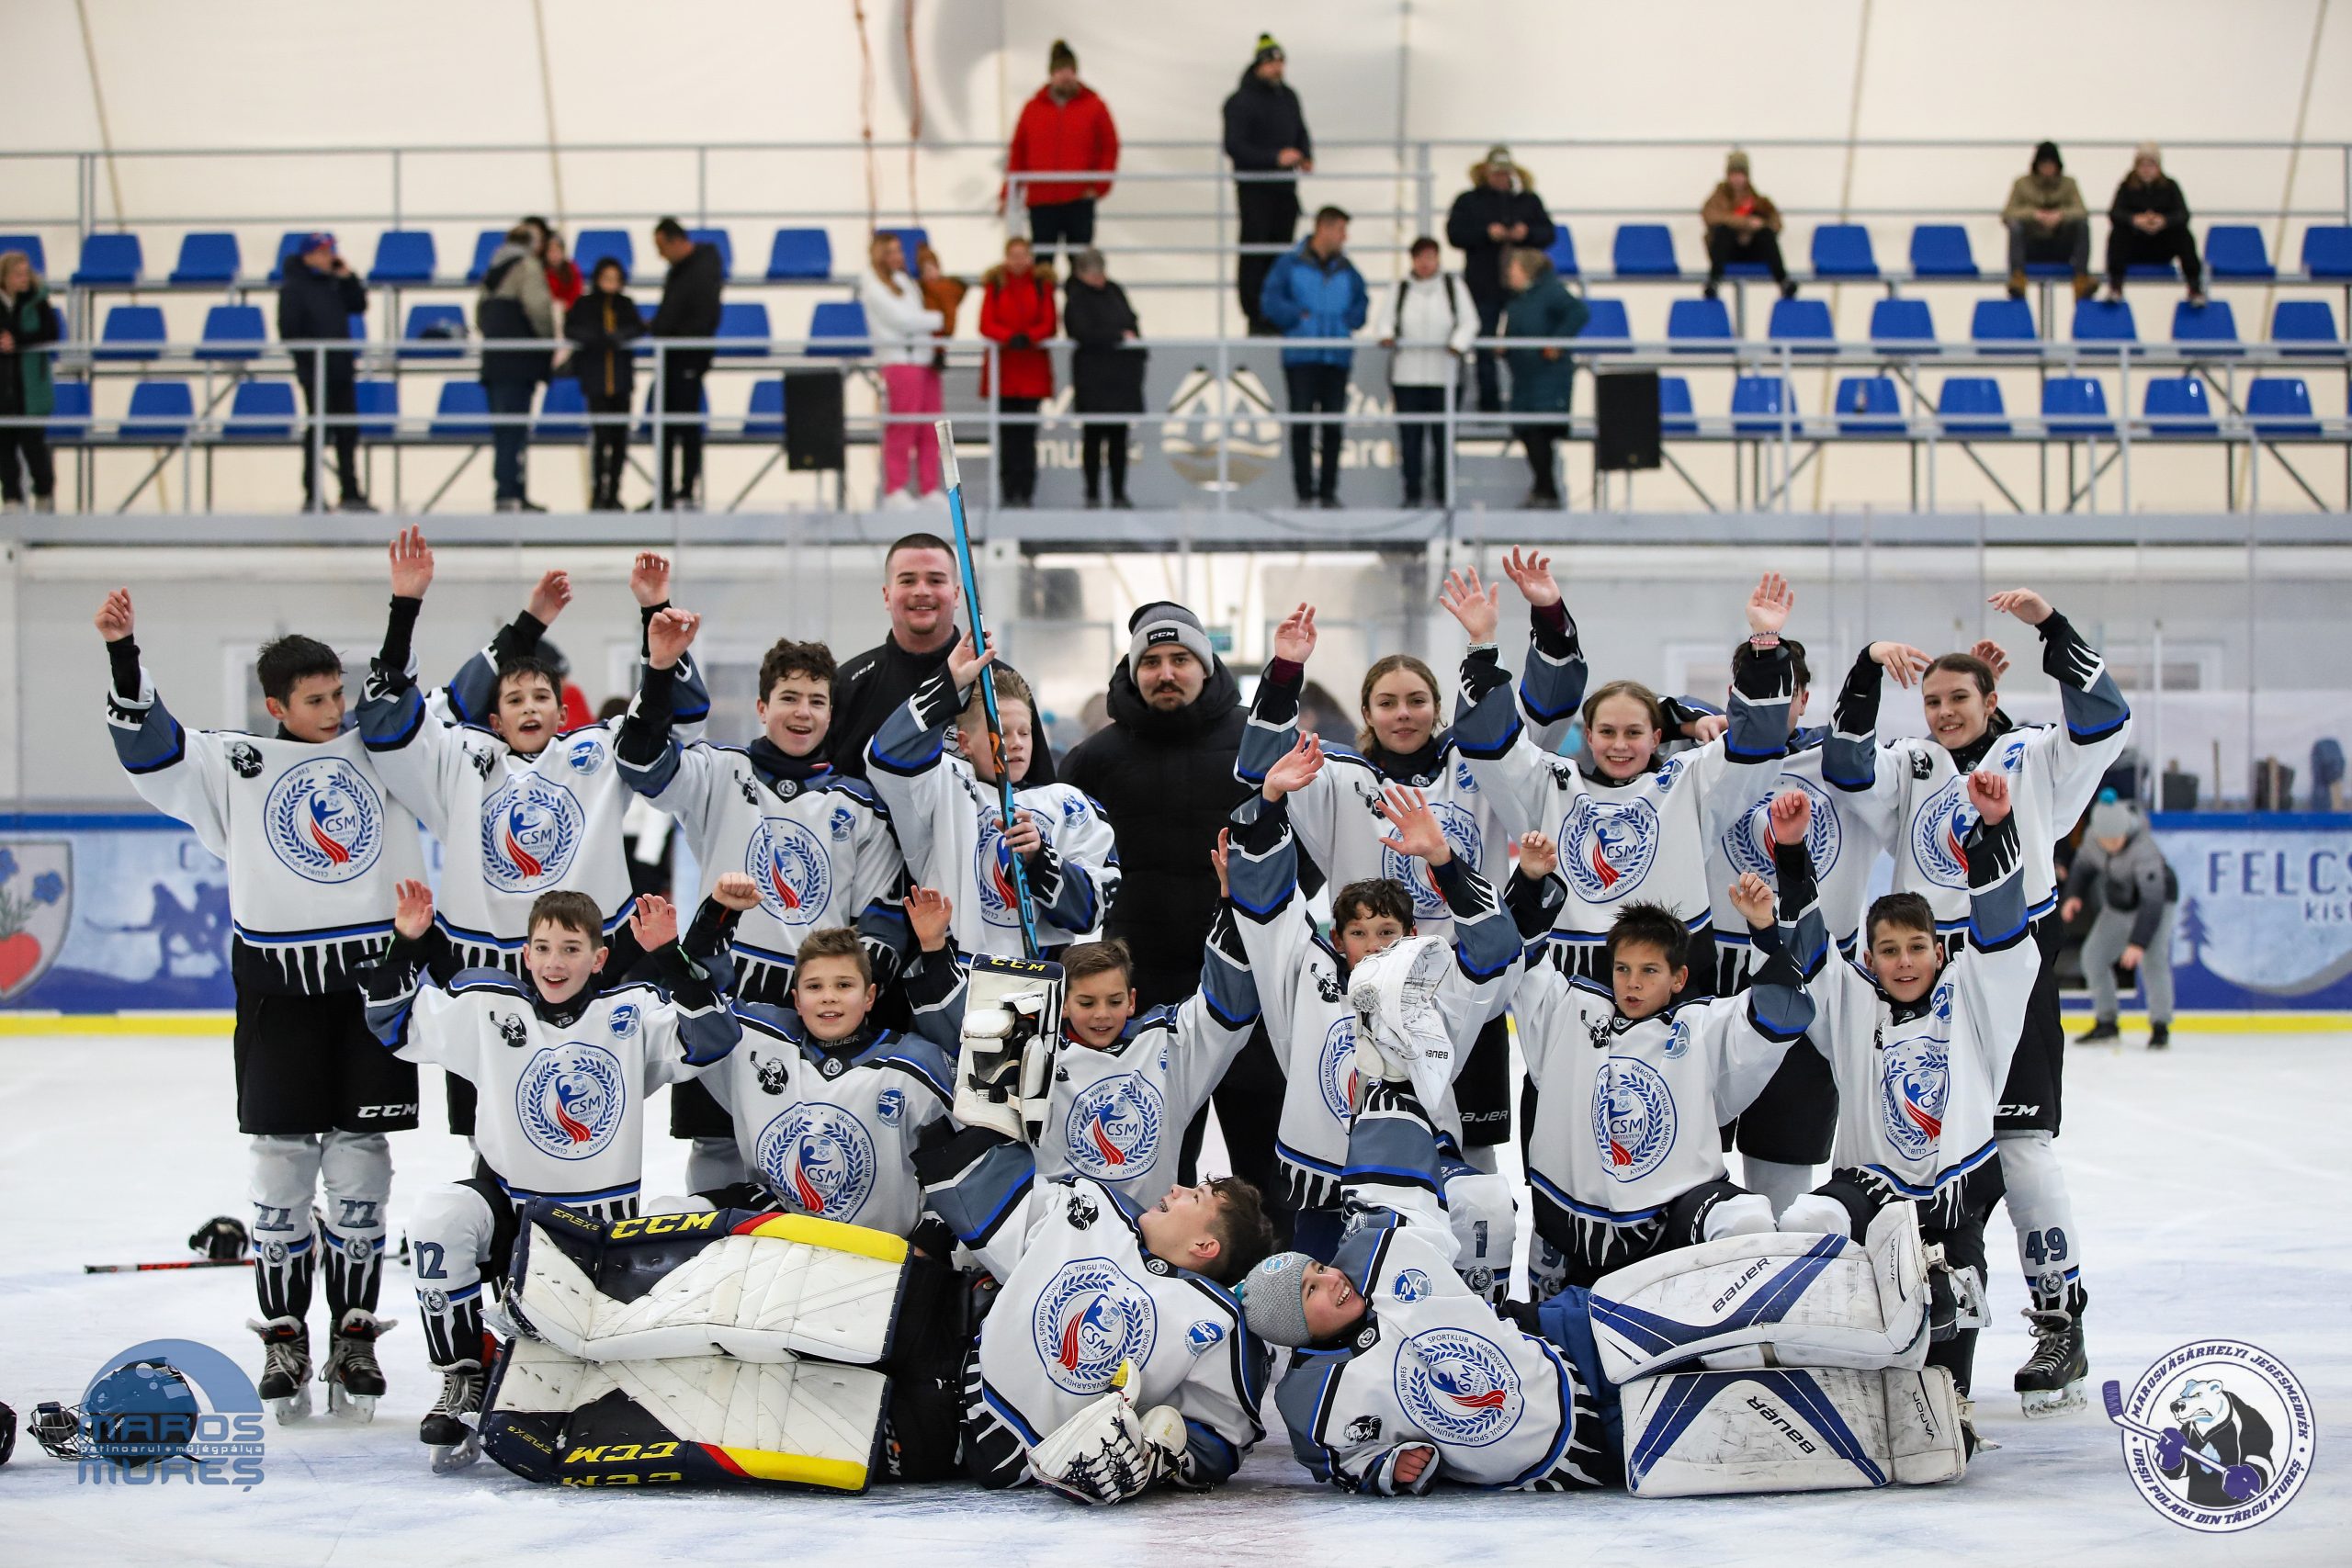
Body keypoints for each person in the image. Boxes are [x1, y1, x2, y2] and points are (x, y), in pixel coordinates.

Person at [1239, 1062, 1968, 1497]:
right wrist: (1396, 1467)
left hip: (1575, 1333)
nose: (1331, 1277)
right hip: (1584, 1446)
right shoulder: (1315, 1404)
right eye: (1311, 1291)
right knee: (1759, 1416)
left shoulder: (1380, 1257)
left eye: (1320, 1268)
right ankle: (1909, 1423)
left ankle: (1888, 1293)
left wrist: (1386, 1066)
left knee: (1734, 1306)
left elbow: (1392, 1172)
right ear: (1300, 1333)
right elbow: (1355, 1463)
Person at [96, 587, 425, 1421]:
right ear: (274, 705)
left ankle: (353, 1331)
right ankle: (284, 1334)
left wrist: (404, 608)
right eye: (313, 699)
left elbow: (411, 698)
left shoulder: (381, 751)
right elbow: (153, 746)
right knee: (281, 1176)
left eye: (336, 694)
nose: (332, 709)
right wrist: (124, 653)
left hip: (370, 985)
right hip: (277, 992)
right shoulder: (237, 763)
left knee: (359, 1173)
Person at [361, 876, 748, 1466]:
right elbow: (390, 1023)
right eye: (542, 947)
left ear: (599, 958)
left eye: (571, 949)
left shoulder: (631, 1012)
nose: (554, 962)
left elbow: (714, 1038)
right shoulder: (491, 1010)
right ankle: (462, 1375)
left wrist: (668, 954)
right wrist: (408, 944)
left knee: (688, 1220)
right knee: (438, 1216)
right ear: (525, 954)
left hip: (600, 1240)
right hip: (514, 1223)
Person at [356, 532, 706, 1138]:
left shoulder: (595, 751)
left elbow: (673, 726)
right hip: (485, 970)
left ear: (564, 710)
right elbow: (387, 718)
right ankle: (496, 1222)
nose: (528, 705)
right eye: (513, 698)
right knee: (488, 1130)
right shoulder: (458, 758)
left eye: (541, 695)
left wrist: (656, 625)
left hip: (585, 967)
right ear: (492, 719)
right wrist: (405, 605)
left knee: (587, 1115)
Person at [1888, 588, 2131, 1416]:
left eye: (1961, 699)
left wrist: (2050, 628)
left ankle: (2061, 1320)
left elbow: (2103, 714)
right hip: (1928, 983)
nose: (1946, 712)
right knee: (1924, 1154)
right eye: (1934, 701)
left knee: (2021, 1148)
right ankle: (1924, 1322)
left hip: (2012, 971)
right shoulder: (1910, 767)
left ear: (1993, 701)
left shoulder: (2032, 756)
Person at [1237, 574, 1578, 1158]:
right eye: (1387, 703)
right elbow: (1260, 775)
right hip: (1366, 990)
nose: (1403, 714)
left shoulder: (1477, 764)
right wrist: (1285, 671)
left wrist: (1501, 635)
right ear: (1367, 711)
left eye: (1417, 700)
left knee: (1472, 1152)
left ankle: (1474, 1249)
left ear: (1437, 706)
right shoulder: (1337, 776)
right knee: (1363, 1141)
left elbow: (1544, 714)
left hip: (1468, 984)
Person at [616, 626, 910, 1187]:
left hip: (814, 1001)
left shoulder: (858, 804)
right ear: (761, 706)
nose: (802, 713)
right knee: (718, 1138)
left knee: (807, 1137)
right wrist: (659, 671)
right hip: (722, 992)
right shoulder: (719, 772)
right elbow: (639, 760)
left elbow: (883, 918)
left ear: (831, 714)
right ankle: (715, 1258)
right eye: (789, 698)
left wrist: (846, 997)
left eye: (817, 701)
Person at [1773, 774, 2033, 1407]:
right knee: (1808, 1217)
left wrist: (1997, 828)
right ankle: (1824, 1355)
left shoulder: (1971, 996)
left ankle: (1941, 1386)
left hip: (1954, 1199)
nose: (1905, 960)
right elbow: (1808, 945)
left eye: (1917, 946)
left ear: (1939, 950)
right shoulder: (1852, 1000)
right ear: (1869, 955)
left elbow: (2000, 930)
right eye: (1889, 950)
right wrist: (1789, 851)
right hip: (1870, 1190)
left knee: (1947, 1383)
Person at [1227, 735, 1534, 1266]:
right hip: (1326, 1170)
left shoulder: (1436, 980)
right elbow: (1265, 905)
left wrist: (1442, 859)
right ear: (1337, 937)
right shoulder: (1305, 973)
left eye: (1386, 931)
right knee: (1318, 1297)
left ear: (1412, 933)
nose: (1372, 945)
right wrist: (1271, 802)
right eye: (1359, 933)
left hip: (1420, 1162)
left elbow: (1496, 951)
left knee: (1488, 1204)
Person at [1443, 558, 1785, 995]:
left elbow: (1756, 744)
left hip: (1675, 971)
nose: (1619, 745)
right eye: (1606, 732)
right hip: (1574, 978)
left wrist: (1765, 643)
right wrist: (1481, 643)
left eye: (1634, 733)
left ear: (1658, 736)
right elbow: (1489, 744)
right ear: (1588, 734)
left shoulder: (1689, 780)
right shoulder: (1551, 782)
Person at [1700, 627, 1928, 1218]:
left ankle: (1785, 1293)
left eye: (1793, 690)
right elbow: (1633, 728)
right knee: (1693, 1162)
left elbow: (1867, 754)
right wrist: (1684, 718)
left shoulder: (1843, 761)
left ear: (1804, 699)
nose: (1781, 700)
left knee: (1784, 1176)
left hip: (1811, 979)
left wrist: (1872, 661)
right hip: (1713, 982)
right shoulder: (1706, 758)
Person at [918, 1123, 1277, 1497]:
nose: (1176, 1188)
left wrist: (1160, 1456)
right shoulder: (1093, 1208)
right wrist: (984, 1125)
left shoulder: (1216, 1320)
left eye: (1196, 1196)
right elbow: (976, 1193)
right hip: (946, 1358)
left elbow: (1221, 1434)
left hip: (948, 1430)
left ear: (1205, 1245)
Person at [907, 859, 1259, 1208]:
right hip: (1061, 1239)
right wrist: (935, 948)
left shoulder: (1168, 1043)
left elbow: (1225, 1001)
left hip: (1153, 1241)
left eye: (1114, 1000)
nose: (1102, 1014)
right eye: (1087, 1003)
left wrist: (1231, 904)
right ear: (1062, 1004)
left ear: (1132, 1000)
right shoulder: (1033, 1049)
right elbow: (962, 1027)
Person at [864, 632, 1116, 958]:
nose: (1016, 743)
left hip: (1039, 988)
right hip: (959, 981)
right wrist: (949, 685)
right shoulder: (941, 788)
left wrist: (1040, 861)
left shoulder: (1068, 804)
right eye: (1001, 732)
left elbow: (1093, 911)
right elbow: (886, 757)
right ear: (965, 742)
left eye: (1024, 732)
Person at [695, 922, 954, 1235]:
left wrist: (932, 1239)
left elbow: (961, 1162)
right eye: (814, 987)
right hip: (782, 1233)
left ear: (870, 996)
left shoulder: (915, 1066)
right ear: (797, 1000)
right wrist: (717, 915)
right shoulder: (758, 1038)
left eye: (844, 985)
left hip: (884, 1251)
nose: (828, 997)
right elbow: (701, 1005)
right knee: (670, 1213)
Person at [824, 532, 962, 779]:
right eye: (908, 580)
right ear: (887, 596)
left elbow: (1038, 795)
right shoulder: (846, 687)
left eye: (935, 580)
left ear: (957, 594)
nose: (921, 591)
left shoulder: (996, 685)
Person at [1260, 206, 1366, 508]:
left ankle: (1329, 492)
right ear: (1324, 228)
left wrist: (1347, 323)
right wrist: (1298, 318)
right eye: (1341, 230)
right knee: (1302, 425)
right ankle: (1305, 493)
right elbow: (1270, 300)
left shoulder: (1347, 269)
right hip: (1301, 357)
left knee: (1333, 426)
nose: (1344, 237)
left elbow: (1362, 302)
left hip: (1336, 357)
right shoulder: (1290, 264)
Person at [1445, 145, 1555, 413]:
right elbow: (1455, 234)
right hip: (1484, 286)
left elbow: (1548, 234)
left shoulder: (1528, 202)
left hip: (1523, 289)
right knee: (1484, 346)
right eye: (1496, 173)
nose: (1501, 178)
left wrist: (1525, 233)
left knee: (1523, 346)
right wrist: (1486, 233)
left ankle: (1526, 402)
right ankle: (1489, 404)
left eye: (1505, 173)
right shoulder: (1469, 201)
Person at [2062, 798, 2177, 1047]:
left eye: (2117, 839)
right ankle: (2107, 1022)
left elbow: (2153, 901)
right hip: (2119, 904)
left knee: (2153, 959)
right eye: (2106, 841)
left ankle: (2160, 1026)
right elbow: (2082, 867)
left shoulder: (2144, 849)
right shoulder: (2093, 838)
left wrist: (2137, 943)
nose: (2112, 845)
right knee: (2093, 957)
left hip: (2156, 904)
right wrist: (2073, 895)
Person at [1222, 33, 1313, 335]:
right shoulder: (1240, 102)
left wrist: (1306, 155)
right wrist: (1274, 157)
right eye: (1272, 63)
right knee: (1256, 252)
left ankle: (1277, 309)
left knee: (1282, 251)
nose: (1278, 69)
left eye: (1281, 63)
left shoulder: (1288, 97)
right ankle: (1255, 312)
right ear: (1259, 65)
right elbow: (1235, 146)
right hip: (1255, 190)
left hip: (1285, 189)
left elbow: (1300, 131)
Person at [277, 231, 372, 513]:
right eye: (323, 251)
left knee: (347, 431)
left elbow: (359, 304)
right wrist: (309, 362)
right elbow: (290, 330)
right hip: (316, 371)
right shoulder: (294, 288)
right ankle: (313, 493)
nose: (329, 256)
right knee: (319, 430)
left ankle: (351, 493)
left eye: (331, 250)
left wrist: (348, 277)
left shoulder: (334, 283)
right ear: (308, 256)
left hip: (341, 368)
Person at [1003, 39, 1120, 260]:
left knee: (1080, 261)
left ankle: (1078, 296)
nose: (1065, 76)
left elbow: (1110, 147)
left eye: (1069, 70)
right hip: (1041, 200)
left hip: (1079, 198)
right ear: (1051, 74)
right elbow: (1018, 151)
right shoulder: (1032, 109)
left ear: (1076, 73)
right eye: (1060, 71)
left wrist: (1099, 186)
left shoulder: (1095, 107)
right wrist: (1009, 193)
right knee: (1042, 264)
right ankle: (1042, 297)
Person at [1381, 237, 1476, 508]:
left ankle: (1444, 493)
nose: (1426, 263)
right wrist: (1388, 335)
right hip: (1407, 376)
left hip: (1443, 376)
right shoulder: (1399, 289)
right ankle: (1413, 493)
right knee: (1410, 439)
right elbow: (1385, 321)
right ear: (1413, 259)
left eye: (1431, 257)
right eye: (1421, 257)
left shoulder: (1452, 287)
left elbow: (1469, 322)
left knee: (1442, 439)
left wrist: (1456, 345)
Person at [855, 233, 945, 508]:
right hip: (899, 361)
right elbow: (903, 321)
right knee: (902, 426)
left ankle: (929, 487)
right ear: (879, 255)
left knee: (930, 428)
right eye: (891, 251)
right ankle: (895, 487)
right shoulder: (873, 287)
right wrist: (940, 318)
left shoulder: (905, 281)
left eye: (899, 250)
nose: (898, 256)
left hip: (923, 359)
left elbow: (916, 316)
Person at [475, 220, 555, 513]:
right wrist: (547, 344)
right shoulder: (527, 267)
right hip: (519, 362)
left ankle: (506, 490)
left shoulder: (492, 271)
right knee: (515, 430)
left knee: (503, 430)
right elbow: (539, 309)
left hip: (494, 361)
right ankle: (511, 493)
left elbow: (479, 316)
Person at [1500, 246, 1589, 509]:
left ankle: (1547, 490)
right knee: (1527, 432)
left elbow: (1579, 313)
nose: (1509, 273)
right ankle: (1542, 488)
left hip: (1547, 379)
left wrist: (1556, 343)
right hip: (1525, 379)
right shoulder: (1519, 298)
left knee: (1539, 432)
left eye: (1513, 268)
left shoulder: (1549, 292)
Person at [649, 217, 723, 510]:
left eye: (661, 247)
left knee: (686, 425)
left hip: (687, 356)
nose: (660, 255)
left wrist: (666, 329)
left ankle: (685, 489)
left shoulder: (701, 270)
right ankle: (665, 490)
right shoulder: (683, 270)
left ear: (675, 241)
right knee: (666, 425)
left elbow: (698, 315)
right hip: (672, 356)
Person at [978, 237, 1057, 507]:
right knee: (1007, 438)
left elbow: (1049, 322)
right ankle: (1008, 491)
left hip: (1031, 374)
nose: (1019, 260)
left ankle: (1025, 492)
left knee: (1026, 437)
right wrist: (1010, 337)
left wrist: (1028, 337)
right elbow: (986, 323)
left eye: (1023, 255)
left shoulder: (1041, 286)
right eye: (1014, 255)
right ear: (1006, 257)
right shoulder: (995, 285)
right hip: (1005, 375)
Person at [1062, 247, 1144, 507]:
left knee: (1119, 439)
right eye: (1094, 273)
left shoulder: (1115, 291)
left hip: (1120, 379)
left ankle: (1119, 493)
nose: (1100, 278)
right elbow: (1081, 331)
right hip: (1093, 380)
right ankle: (1093, 493)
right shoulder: (1076, 297)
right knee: (1093, 438)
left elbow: (1131, 322)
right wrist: (1118, 336)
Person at [563, 256, 643, 511]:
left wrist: (617, 337)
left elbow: (637, 328)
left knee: (620, 440)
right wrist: (601, 339)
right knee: (601, 438)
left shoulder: (626, 305)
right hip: (597, 381)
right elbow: (573, 329)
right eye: (606, 279)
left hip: (621, 382)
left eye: (615, 279)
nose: (611, 284)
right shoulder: (585, 305)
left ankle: (615, 493)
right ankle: (598, 492)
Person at [0, 249, 61, 513]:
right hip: (4, 390)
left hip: (30, 390)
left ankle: (44, 499)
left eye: (26, 274)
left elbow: (51, 331)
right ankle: (12, 503)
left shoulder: (38, 301)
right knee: (4, 452)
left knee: (35, 448)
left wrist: (18, 342)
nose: (23, 279)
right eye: (18, 275)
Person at [2107, 143, 2204, 305]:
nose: (2146, 169)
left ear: (2158, 167)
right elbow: (2115, 214)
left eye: (2150, 165)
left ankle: (2194, 288)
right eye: (2142, 165)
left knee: (2183, 235)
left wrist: (2164, 221)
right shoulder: (2126, 187)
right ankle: (2115, 287)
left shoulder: (2170, 186)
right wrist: (2135, 220)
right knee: (2118, 234)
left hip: (2162, 247)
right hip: (2135, 246)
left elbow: (2183, 215)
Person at [2003, 141, 2093, 301]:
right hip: (2031, 246)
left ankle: (2081, 278)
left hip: (2060, 245)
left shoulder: (2069, 184)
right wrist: (2035, 215)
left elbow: (2082, 211)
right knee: (2015, 226)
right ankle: (2017, 278)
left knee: (2082, 226)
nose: (2048, 169)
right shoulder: (2022, 184)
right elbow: (2008, 213)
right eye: (2044, 164)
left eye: (2051, 165)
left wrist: (2060, 216)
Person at [1701, 150, 1795, 300]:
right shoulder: (1718, 197)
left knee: (1766, 234)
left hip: (1752, 250)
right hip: (1727, 252)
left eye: (1741, 174)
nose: (1737, 179)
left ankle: (1783, 280)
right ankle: (1714, 281)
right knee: (1723, 232)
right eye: (1734, 174)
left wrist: (1760, 224)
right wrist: (1745, 223)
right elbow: (1710, 217)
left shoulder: (1758, 200)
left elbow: (1777, 224)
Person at [915, 243, 966, 375]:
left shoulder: (945, 290)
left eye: (932, 269)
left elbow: (949, 311)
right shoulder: (920, 291)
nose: (929, 275)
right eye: (925, 271)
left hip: (936, 336)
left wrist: (948, 328)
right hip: (925, 338)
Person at [541, 231, 583, 311]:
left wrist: (568, 305)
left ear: (563, 252)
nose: (554, 255)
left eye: (557, 251)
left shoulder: (572, 268)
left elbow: (577, 293)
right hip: (547, 311)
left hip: (570, 310)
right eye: (551, 251)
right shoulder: (541, 271)